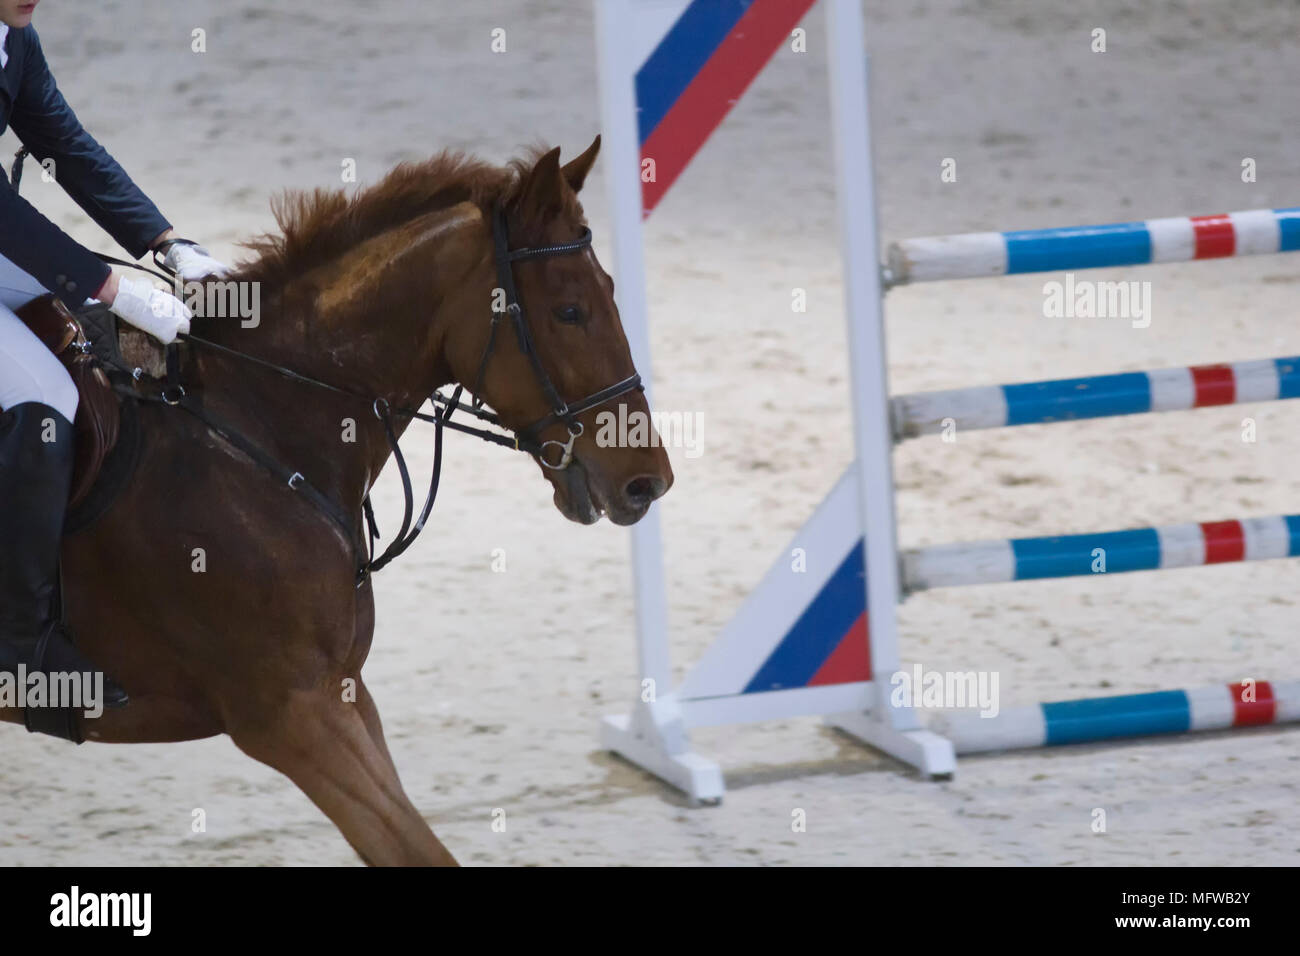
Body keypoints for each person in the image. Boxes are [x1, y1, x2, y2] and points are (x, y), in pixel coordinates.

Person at [0, 0, 229, 727]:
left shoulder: (14, 40)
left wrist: (165, 244)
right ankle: (19, 660)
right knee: (45, 402)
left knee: (104, 339)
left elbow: (64, 144)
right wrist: (108, 283)